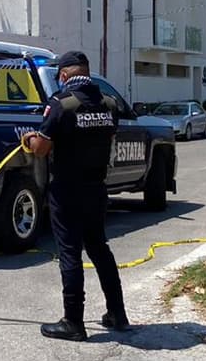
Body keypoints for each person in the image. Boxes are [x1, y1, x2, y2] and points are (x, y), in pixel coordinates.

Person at [22, 50, 129, 341]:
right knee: (99, 249)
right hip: (96, 188)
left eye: (60, 73)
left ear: (66, 74)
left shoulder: (62, 104)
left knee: (69, 252)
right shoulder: (108, 103)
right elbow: (107, 136)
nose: (58, 78)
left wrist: (29, 139)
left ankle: (73, 322)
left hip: (67, 189)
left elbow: (42, 149)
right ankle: (117, 314)